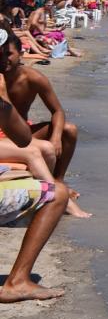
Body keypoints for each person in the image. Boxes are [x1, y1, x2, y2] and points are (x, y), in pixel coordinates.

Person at [0, 29, 72, 303]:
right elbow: (22, 138)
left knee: (63, 135)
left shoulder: (33, 77)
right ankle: (17, 282)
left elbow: (56, 114)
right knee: (58, 195)